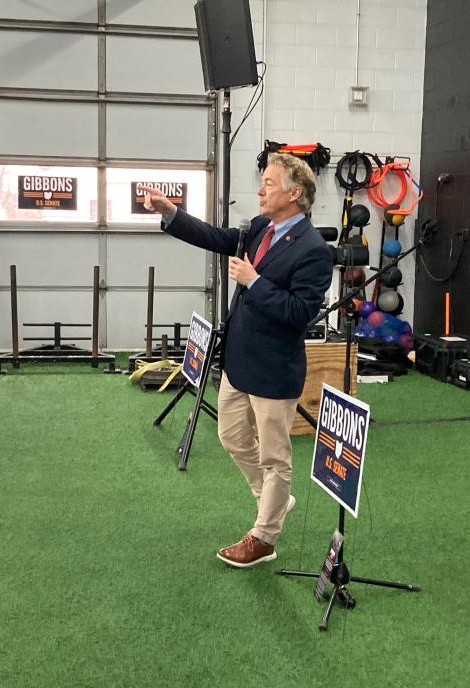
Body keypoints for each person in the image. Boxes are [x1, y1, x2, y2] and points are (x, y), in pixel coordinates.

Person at [139, 153, 333, 568]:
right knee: (230, 436)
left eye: (269, 183)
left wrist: (254, 281)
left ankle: (264, 537)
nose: (260, 190)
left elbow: (300, 312)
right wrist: (173, 213)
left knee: (274, 457)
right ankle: (273, 500)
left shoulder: (315, 251)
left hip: (275, 367)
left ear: (294, 193)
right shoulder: (260, 228)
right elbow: (215, 237)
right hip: (238, 361)